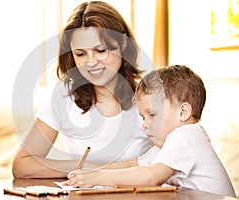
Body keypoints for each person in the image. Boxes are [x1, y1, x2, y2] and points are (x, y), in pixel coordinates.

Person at [12, 1, 153, 178]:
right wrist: (87, 167)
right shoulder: (65, 95)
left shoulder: (150, 94)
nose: (91, 63)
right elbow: (22, 166)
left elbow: (171, 162)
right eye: (80, 54)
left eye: (101, 50)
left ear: (123, 43)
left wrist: (93, 170)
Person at [65, 65, 236, 197]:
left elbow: (152, 177)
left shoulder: (186, 135)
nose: (145, 124)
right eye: (143, 117)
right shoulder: (165, 145)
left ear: (183, 112)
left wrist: (97, 177)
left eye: (152, 115)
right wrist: (91, 171)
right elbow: (132, 165)